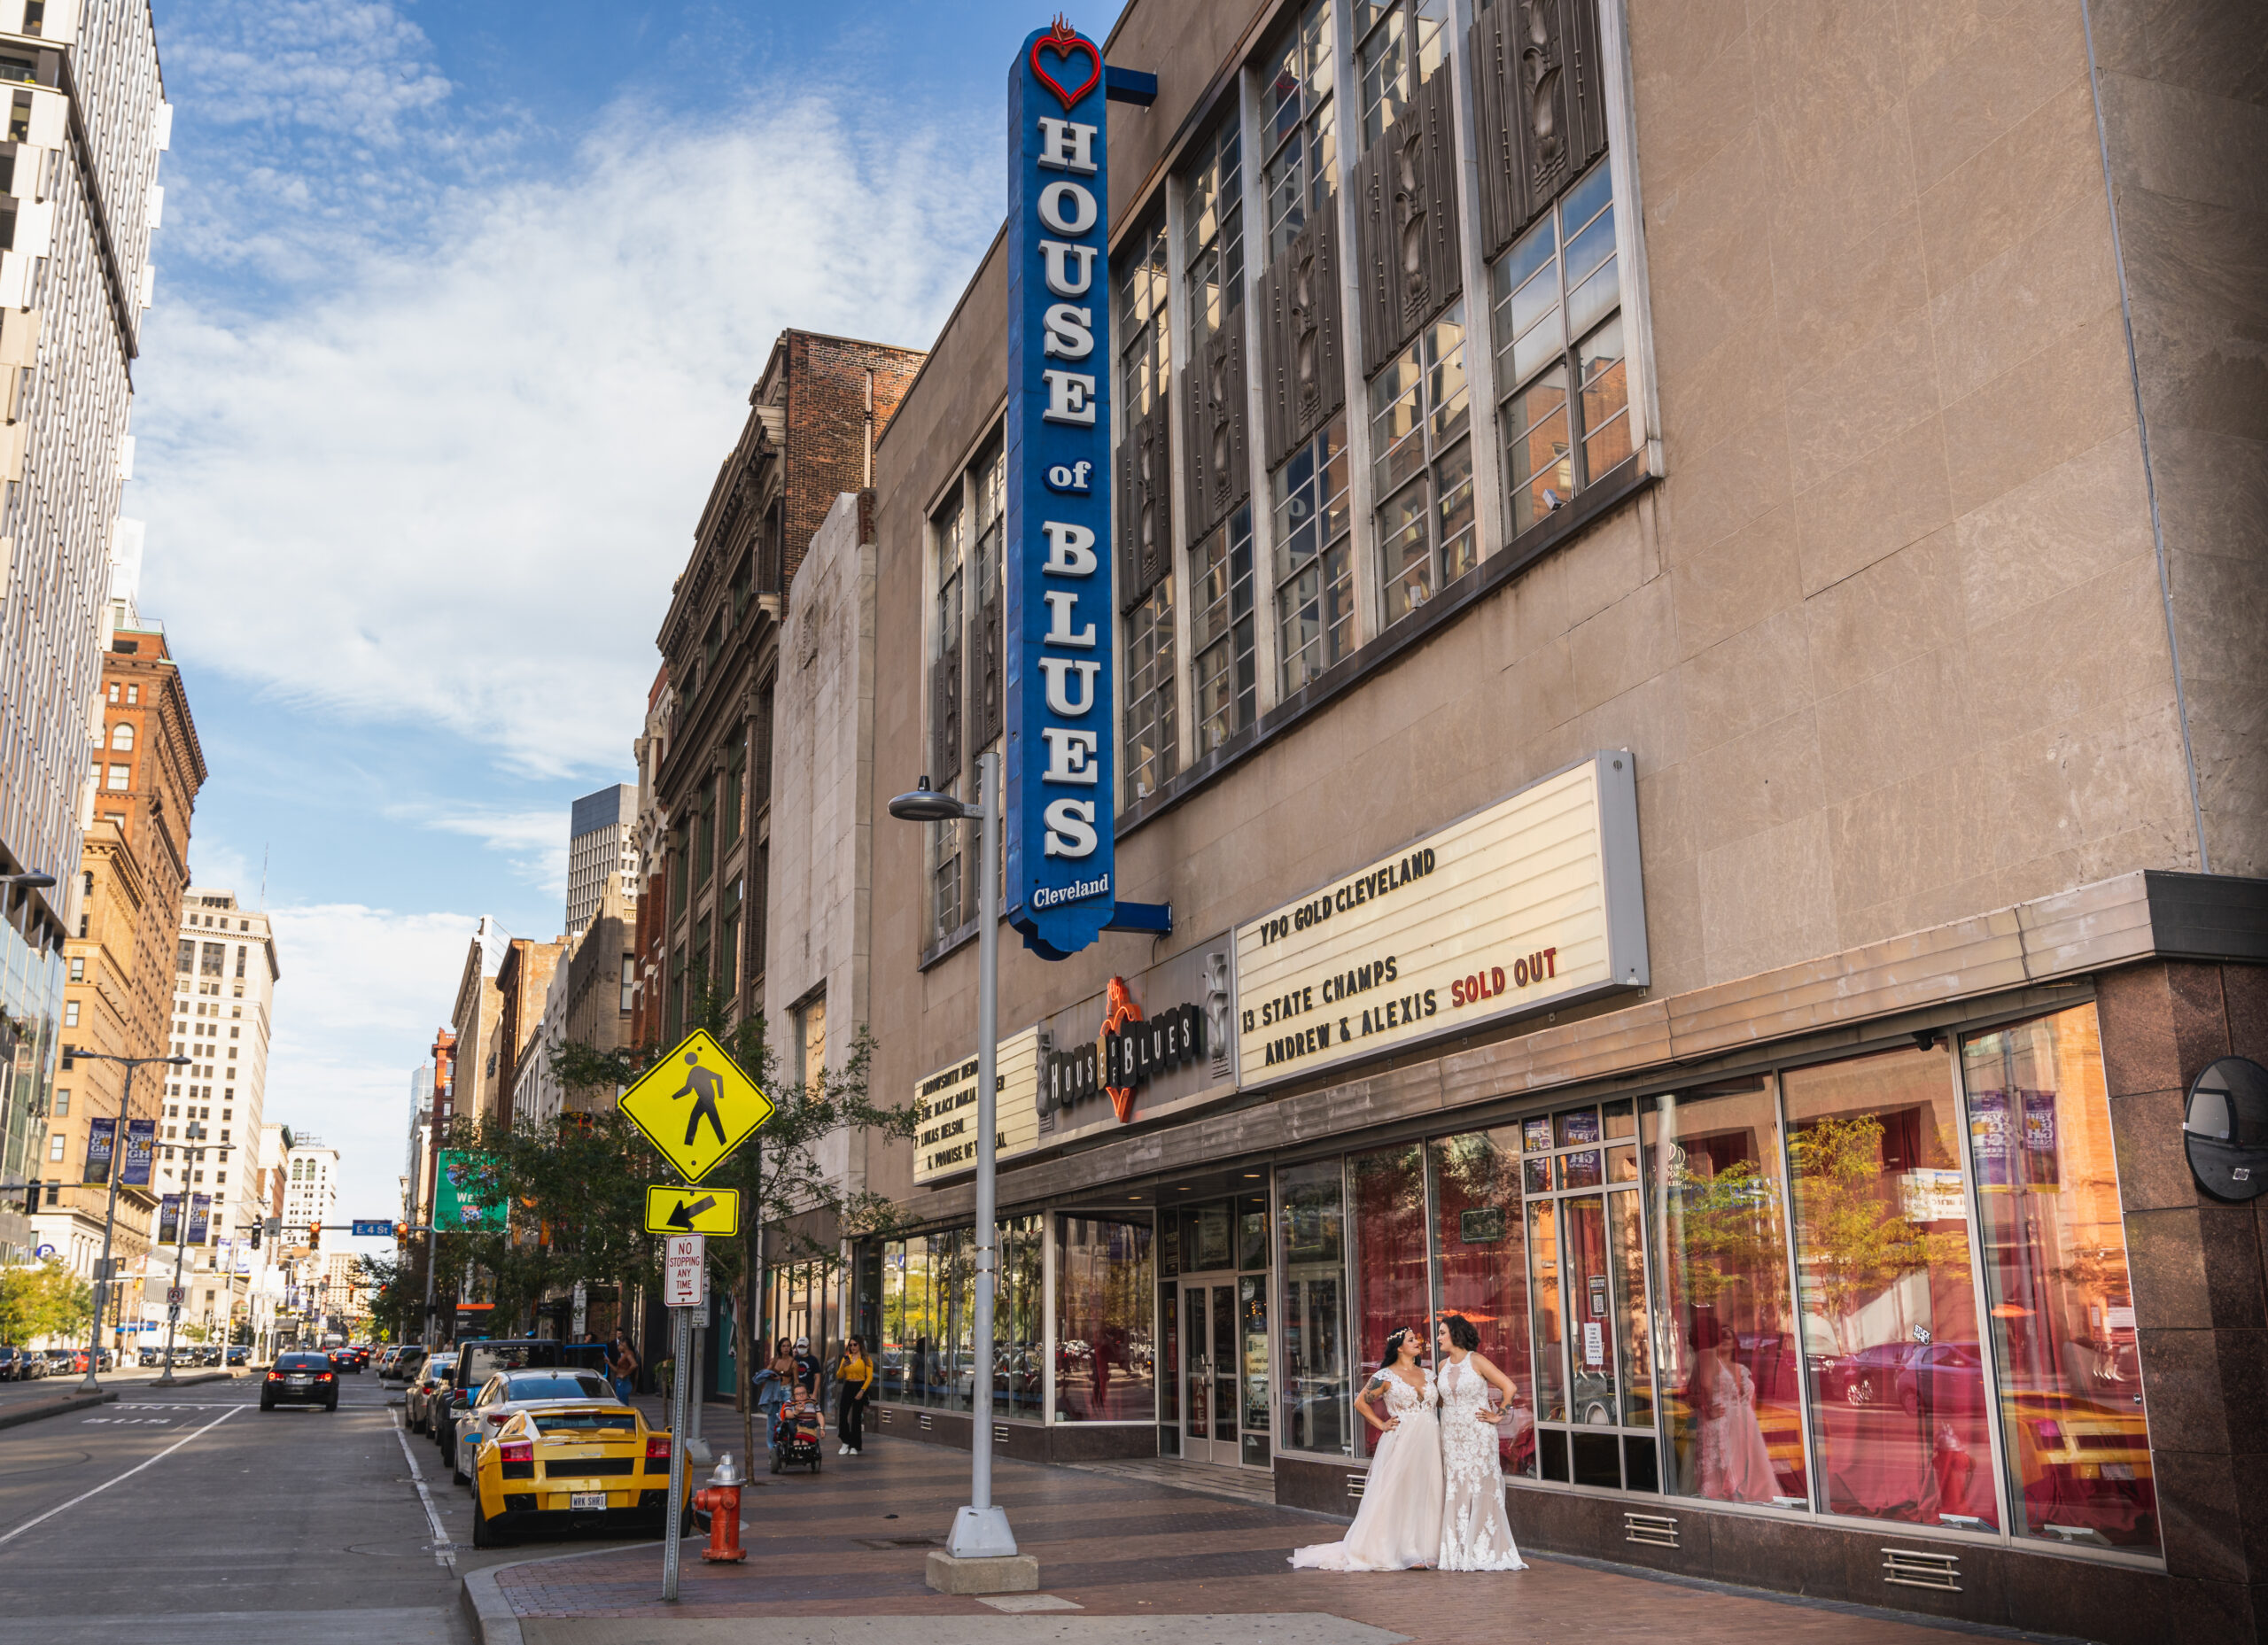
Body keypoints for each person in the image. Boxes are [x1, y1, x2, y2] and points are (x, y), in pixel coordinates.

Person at [1290, 1326, 1443, 1571]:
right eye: (1412, 1340)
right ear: (1399, 1347)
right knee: (1402, 1492)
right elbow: (1360, 1402)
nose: (1418, 1343)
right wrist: (1382, 1424)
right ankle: (1404, 1549)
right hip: (1402, 1441)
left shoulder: (1429, 1374)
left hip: (1430, 1440)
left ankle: (1427, 1547)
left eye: (1417, 1339)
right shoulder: (1385, 1376)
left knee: (1429, 1489)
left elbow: (1443, 1402)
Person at [1434, 1315, 1527, 1571]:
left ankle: (1483, 1548)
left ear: (1455, 1334)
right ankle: (1458, 1549)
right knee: (1455, 1486)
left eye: (1442, 1333)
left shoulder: (1476, 1360)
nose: (1438, 1338)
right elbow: (1440, 1400)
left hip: (1478, 1433)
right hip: (1451, 1435)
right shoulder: (1442, 1366)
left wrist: (1500, 1414)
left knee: (1479, 1484)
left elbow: (1509, 1387)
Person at [1686, 1315, 1776, 1503]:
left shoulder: (1741, 1369)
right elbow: (1697, 1391)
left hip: (1744, 1427)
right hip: (1720, 1424)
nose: (1725, 1337)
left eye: (1729, 1335)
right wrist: (1707, 1406)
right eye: (1722, 1334)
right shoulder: (1707, 1358)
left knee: (1749, 1475)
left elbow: (1750, 1402)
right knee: (1720, 1475)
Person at [835, 1336, 874, 1455]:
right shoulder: (846, 1358)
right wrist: (843, 1366)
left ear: (860, 1345)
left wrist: (862, 1391)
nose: (853, 1347)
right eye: (850, 1345)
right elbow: (839, 1376)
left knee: (856, 1417)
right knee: (843, 1414)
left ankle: (855, 1445)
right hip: (848, 1386)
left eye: (855, 1345)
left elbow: (870, 1377)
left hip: (860, 1386)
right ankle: (845, 1440)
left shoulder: (866, 1358)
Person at [610, 1330, 640, 1403]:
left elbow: (634, 1365)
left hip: (623, 1381)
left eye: (619, 1345)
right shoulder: (625, 1354)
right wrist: (609, 1363)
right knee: (619, 1401)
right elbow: (617, 1370)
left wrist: (624, 1375)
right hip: (620, 1380)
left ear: (624, 1344)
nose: (618, 1347)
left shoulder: (628, 1353)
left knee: (622, 1402)